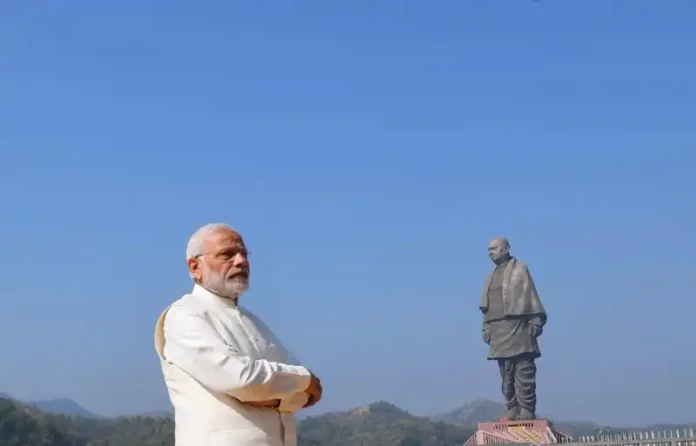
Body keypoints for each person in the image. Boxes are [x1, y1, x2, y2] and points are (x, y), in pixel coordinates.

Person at [154, 223, 322, 445]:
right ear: (195, 267)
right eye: (227, 254)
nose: (241, 261)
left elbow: (304, 397)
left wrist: (275, 394)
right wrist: (304, 379)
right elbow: (240, 379)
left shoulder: (255, 323)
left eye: (244, 253)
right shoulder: (183, 315)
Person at [479, 237, 546, 421]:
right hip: (498, 330)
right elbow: (486, 307)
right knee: (506, 375)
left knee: (524, 371)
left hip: (519, 327)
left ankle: (526, 408)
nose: (490, 252)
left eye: (494, 248)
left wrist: (535, 321)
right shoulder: (490, 276)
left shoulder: (520, 270)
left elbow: (530, 296)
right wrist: (486, 328)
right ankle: (512, 407)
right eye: (488, 250)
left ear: (506, 249)